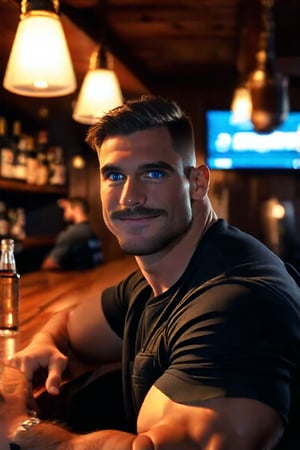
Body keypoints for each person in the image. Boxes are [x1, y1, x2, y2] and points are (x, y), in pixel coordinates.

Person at [2, 95, 300, 449]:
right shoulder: (158, 278)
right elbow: (68, 323)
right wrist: (43, 343)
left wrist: (17, 429)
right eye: (114, 175)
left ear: (197, 183)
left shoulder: (238, 303)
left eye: (154, 173)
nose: (130, 197)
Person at [41, 196, 104, 271]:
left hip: (76, 280)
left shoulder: (71, 233)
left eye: (66, 208)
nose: (64, 212)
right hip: (93, 279)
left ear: (76, 209)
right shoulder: (90, 231)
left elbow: (49, 265)